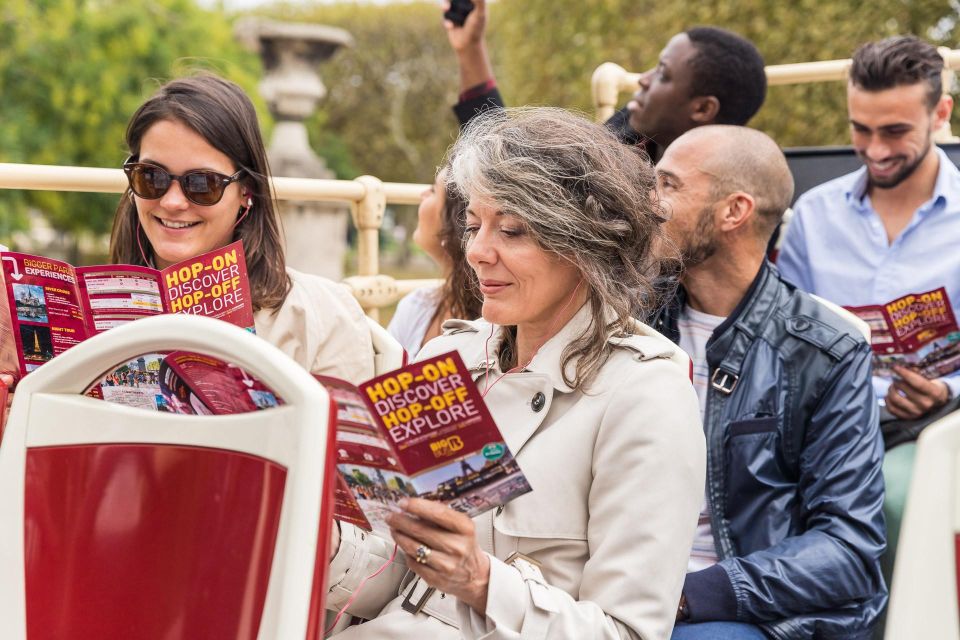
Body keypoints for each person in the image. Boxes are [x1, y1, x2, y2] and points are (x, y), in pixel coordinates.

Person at [325, 107, 706, 639]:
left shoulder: (646, 394)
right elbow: (396, 579)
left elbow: (627, 632)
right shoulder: (449, 356)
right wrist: (322, 537)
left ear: (586, 245)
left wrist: (481, 581)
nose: (477, 252)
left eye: (512, 230)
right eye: (474, 224)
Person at [652, 125, 887, 639]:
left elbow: (848, 549)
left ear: (732, 211)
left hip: (741, 612)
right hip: (611, 585)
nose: (649, 202)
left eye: (668, 185)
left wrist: (692, 596)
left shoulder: (826, 351)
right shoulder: (623, 318)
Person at [776, 36, 960, 587]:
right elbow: (787, 338)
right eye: (861, 129)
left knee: (896, 500)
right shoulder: (813, 216)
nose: (876, 149)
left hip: (940, 425)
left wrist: (947, 391)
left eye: (895, 131)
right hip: (831, 425)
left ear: (940, 114)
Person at [110, 74, 374, 384]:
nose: (172, 202)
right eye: (151, 176)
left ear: (246, 191)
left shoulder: (323, 315)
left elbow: (343, 431)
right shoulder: (94, 311)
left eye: (202, 184)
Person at [445, 0, 766, 160]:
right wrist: (471, 49)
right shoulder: (629, 133)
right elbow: (516, 168)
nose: (643, 80)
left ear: (703, 108)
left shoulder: (718, 198)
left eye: (663, 74)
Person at [387, 166, 481, 355]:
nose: (422, 194)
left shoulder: (501, 325)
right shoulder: (416, 306)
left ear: (456, 224)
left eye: (432, 190)